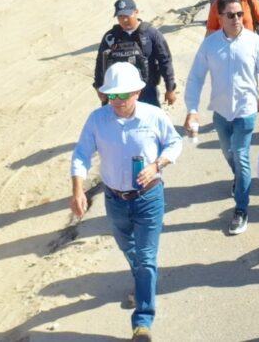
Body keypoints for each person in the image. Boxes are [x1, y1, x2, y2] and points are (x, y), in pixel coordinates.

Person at [70, 62, 182, 342]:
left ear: (138, 91)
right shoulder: (97, 119)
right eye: (113, 95)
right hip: (115, 200)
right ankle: (145, 280)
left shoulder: (153, 116)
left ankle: (142, 322)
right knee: (128, 248)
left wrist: (157, 165)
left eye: (124, 95)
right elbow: (81, 154)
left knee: (145, 259)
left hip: (149, 199)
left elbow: (175, 143)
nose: (118, 102)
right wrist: (78, 191)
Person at [184, 0, 259, 236]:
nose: (237, 19)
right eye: (231, 15)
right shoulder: (210, 45)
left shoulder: (254, 42)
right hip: (220, 112)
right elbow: (196, 77)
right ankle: (239, 179)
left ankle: (241, 209)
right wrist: (192, 110)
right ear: (220, 17)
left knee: (241, 155)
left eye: (239, 14)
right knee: (229, 154)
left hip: (245, 111)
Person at [93, 0, 177, 108]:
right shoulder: (111, 36)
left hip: (146, 91)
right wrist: (99, 87)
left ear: (136, 12)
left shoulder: (151, 34)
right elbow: (101, 62)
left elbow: (164, 60)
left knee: (150, 122)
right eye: (120, 17)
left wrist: (170, 88)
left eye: (127, 16)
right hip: (119, 92)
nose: (124, 20)